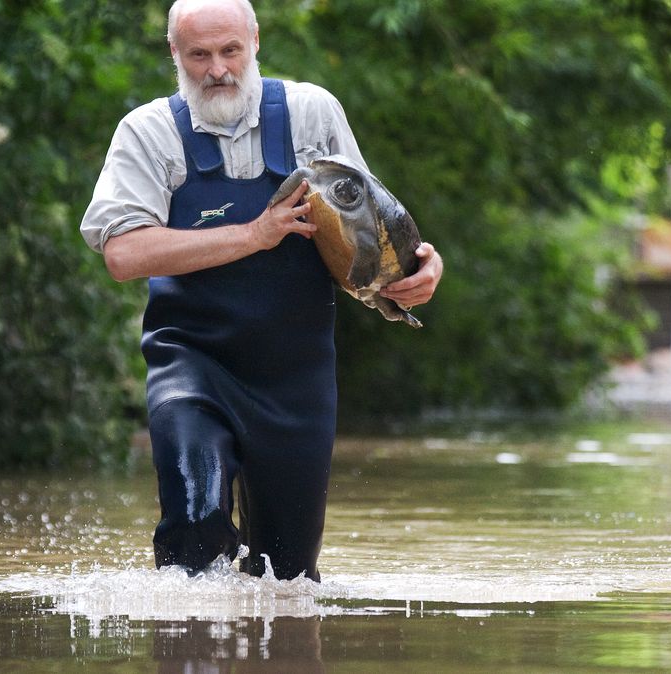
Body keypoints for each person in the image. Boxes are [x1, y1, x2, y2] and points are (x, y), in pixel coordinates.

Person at [80, 0, 443, 582]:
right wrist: (254, 234)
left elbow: (372, 232)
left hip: (296, 375)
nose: (217, 69)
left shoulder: (312, 113)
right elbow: (124, 255)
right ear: (174, 53)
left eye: (230, 51)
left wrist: (421, 271)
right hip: (192, 362)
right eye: (199, 55)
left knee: (287, 576)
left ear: (255, 42)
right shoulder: (147, 133)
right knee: (194, 531)